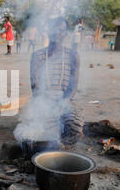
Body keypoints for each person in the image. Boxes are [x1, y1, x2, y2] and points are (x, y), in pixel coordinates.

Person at [30, 17, 82, 146]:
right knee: (34, 128)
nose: (57, 33)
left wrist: (64, 102)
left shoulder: (73, 55)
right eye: (54, 29)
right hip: (42, 100)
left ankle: (64, 146)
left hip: (65, 100)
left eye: (62, 30)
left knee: (73, 127)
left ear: (66, 34)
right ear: (48, 31)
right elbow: (34, 86)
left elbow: (74, 85)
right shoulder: (37, 56)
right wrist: (44, 101)